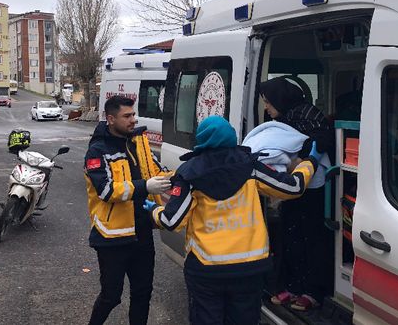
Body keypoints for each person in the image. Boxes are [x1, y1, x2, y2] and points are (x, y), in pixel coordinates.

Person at [149, 116, 320, 325]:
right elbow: (293, 187)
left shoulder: (189, 174)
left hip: (206, 269)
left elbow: (171, 221)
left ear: (201, 139)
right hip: (249, 269)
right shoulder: (250, 166)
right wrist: (310, 162)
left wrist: (154, 211)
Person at [83, 95, 173, 325]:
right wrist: (145, 186)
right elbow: (106, 191)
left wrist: (182, 175)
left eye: (133, 115)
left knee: (142, 294)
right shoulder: (97, 151)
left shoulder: (138, 144)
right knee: (111, 296)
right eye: (127, 116)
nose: (133, 120)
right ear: (111, 119)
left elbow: (158, 172)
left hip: (142, 232)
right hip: (112, 237)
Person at [258, 76, 335, 311]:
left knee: (312, 238)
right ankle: (291, 286)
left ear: (281, 100)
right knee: (290, 237)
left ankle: (312, 291)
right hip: (289, 187)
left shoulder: (309, 117)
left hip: (314, 189)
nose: (266, 108)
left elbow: (324, 141)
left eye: (268, 102)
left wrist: (303, 158)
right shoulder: (280, 121)